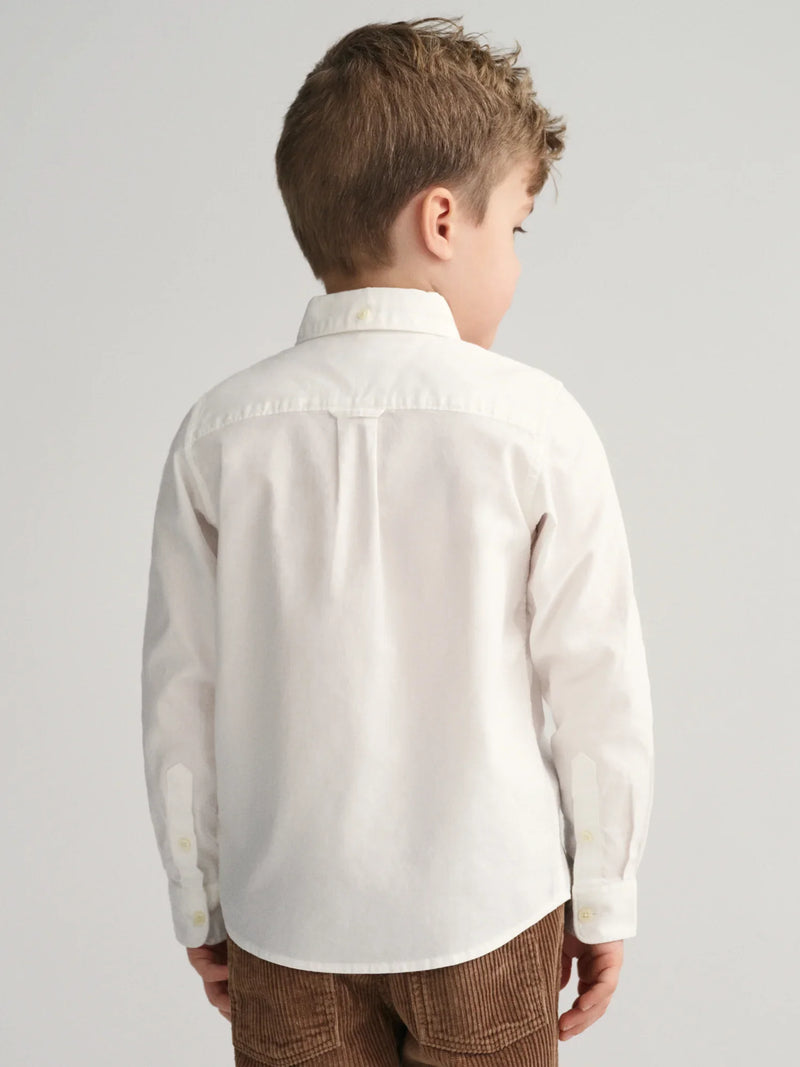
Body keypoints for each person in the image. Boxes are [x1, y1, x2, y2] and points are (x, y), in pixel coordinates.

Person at [141, 16, 654, 1066]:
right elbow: (596, 681)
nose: (515, 262)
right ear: (441, 219)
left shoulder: (218, 434)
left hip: (286, 917)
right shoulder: (536, 424)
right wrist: (605, 891)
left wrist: (199, 899)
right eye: (515, 228)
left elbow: (179, 694)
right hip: (488, 909)